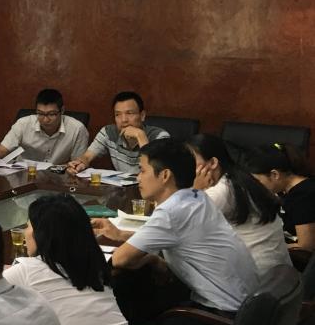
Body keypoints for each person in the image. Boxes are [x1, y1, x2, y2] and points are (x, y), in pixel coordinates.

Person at [2, 194, 156, 325]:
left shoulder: (27, 271)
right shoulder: (93, 266)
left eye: (28, 226)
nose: (26, 232)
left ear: (41, 235)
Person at [93, 139, 258, 314]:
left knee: (132, 299)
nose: (138, 177)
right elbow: (174, 237)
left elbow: (120, 259)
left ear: (165, 175)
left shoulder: (171, 212)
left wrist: (150, 258)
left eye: (142, 170)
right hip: (245, 305)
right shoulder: (196, 197)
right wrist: (121, 235)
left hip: (220, 312)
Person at [188, 134, 289, 275]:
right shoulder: (238, 177)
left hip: (256, 276)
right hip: (278, 272)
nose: (185, 166)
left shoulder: (222, 191)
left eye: (191, 160)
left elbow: (182, 222)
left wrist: (195, 189)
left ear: (212, 163)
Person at [67, 91, 169, 175]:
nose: (123, 120)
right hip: (122, 189)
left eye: (129, 113)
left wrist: (140, 136)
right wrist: (80, 163)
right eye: (118, 114)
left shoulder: (160, 136)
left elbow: (157, 172)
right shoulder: (108, 132)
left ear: (142, 115)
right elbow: (87, 156)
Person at [0, 89, 88, 165]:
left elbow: (78, 163)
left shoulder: (77, 129)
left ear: (62, 110)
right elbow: (3, 149)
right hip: (23, 176)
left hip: (58, 179)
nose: (45, 120)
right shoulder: (23, 123)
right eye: (40, 114)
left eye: (51, 114)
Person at [246, 144, 315, 255]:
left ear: (275, 175)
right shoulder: (282, 189)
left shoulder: (304, 196)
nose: (257, 187)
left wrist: (268, 246)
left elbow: (306, 246)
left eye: (258, 181)